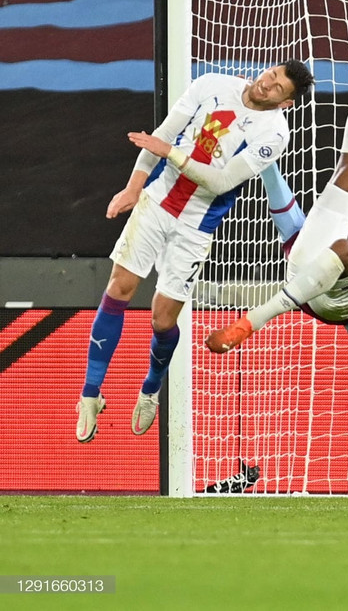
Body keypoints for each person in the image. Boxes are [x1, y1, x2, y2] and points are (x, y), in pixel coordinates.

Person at [203, 32, 348, 470]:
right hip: (311, 281)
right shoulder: (319, 241)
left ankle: (250, 323)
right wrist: (251, 118)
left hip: (324, 300)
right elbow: (269, 170)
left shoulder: (314, 239)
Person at [76, 58, 314, 443]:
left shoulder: (275, 134)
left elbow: (221, 181)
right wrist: (134, 187)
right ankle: (90, 395)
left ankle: (150, 390)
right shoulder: (210, 84)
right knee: (119, 288)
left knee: (162, 320)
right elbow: (161, 136)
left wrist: (171, 152)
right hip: (157, 201)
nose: (268, 85)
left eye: (279, 88)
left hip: (197, 225)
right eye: (271, 75)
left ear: (286, 103)